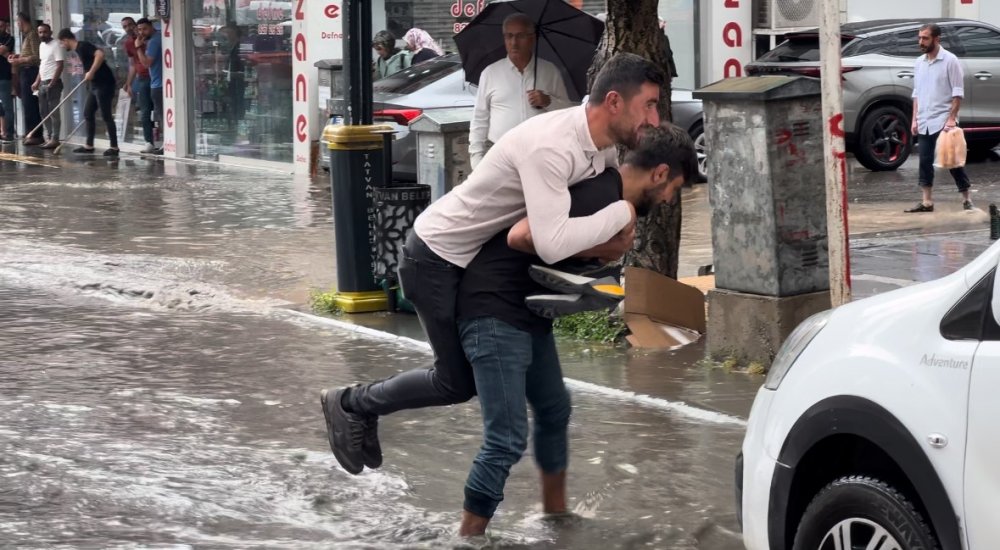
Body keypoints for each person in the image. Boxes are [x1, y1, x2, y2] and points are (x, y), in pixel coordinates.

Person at [320, 52, 664, 477]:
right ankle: (352, 403)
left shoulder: (601, 149)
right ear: (614, 101)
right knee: (454, 382)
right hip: (434, 257)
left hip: (471, 259)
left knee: (475, 385)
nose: (656, 118)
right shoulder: (551, 146)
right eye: (649, 104)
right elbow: (553, 242)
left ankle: (359, 406)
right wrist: (624, 213)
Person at [456, 123, 698, 536]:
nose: (669, 198)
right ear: (659, 174)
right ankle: (467, 538)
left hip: (526, 310)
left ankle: (555, 515)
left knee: (554, 408)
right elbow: (523, 235)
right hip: (492, 308)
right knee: (507, 439)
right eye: (673, 188)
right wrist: (606, 247)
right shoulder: (602, 197)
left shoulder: (611, 198)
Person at [468, 13, 573, 169]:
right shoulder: (491, 73)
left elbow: (568, 114)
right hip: (501, 157)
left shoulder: (549, 71)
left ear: (533, 38)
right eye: (508, 36)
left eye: (520, 36)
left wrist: (548, 101)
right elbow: (479, 119)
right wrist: (477, 161)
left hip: (541, 157)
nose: (514, 42)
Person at [905, 23, 973, 213]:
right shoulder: (919, 63)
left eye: (925, 38)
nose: (921, 42)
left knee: (952, 162)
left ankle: (966, 198)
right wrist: (914, 119)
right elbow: (916, 93)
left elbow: (957, 93)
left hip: (944, 120)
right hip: (925, 120)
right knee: (924, 161)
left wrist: (951, 119)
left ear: (937, 39)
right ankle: (927, 202)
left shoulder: (950, 61)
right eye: (919, 38)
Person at [57, 28, 118, 156]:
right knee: (88, 113)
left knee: (106, 115)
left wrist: (92, 71)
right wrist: (89, 75)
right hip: (95, 85)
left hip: (104, 84)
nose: (62, 46)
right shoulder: (78, 50)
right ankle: (89, 145)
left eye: (62, 43)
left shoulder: (83, 46)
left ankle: (114, 147)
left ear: (66, 40)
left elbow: (100, 55)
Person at [122, 16, 155, 153]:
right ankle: (149, 141)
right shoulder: (129, 44)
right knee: (145, 111)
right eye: (124, 27)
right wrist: (128, 83)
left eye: (130, 25)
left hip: (156, 76)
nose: (128, 28)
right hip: (142, 78)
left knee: (158, 110)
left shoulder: (150, 40)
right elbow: (132, 65)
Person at [9, 12, 42, 146]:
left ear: (21, 21)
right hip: (24, 71)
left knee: (30, 105)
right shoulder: (27, 36)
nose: (17, 25)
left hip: (30, 71)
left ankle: (36, 134)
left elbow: (36, 57)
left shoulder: (33, 35)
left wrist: (19, 60)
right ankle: (31, 132)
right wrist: (18, 56)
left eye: (17, 22)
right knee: (26, 104)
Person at [31, 24, 64, 149]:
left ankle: (55, 138)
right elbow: (42, 66)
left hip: (53, 83)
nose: (42, 35)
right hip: (43, 83)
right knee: (43, 112)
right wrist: (36, 82)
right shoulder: (41, 45)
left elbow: (60, 65)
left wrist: (53, 82)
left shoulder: (56, 45)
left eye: (45, 32)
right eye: (40, 32)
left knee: (54, 112)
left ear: (50, 32)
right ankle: (49, 137)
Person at [134, 18, 162, 154]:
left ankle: (162, 144)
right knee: (156, 114)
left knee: (159, 115)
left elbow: (146, 63)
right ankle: (158, 143)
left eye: (144, 29)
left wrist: (138, 47)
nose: (142, 32)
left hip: (157, 83)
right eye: (139, 29)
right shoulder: (158, 38)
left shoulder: (154, 41)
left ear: (151, 27)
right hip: (156, 81)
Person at [219, 23, 245, 130]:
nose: (226, 36)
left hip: (238, 84)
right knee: (233, 105)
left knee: (238, 105)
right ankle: (235, 125)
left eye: (228, 33)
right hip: (233, 83)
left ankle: (239, 126)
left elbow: (242, 70)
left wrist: (230, 74)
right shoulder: (233, 46)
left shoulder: (239, 47)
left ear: (234, 33)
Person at [0, 18, 17, 143]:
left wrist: (3, 50)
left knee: (7, 106)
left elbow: (3, 50)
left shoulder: (10, 38)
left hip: (5, 76)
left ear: (5, 26)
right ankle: (2, 131)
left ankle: (9, 133)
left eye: (2, 26)